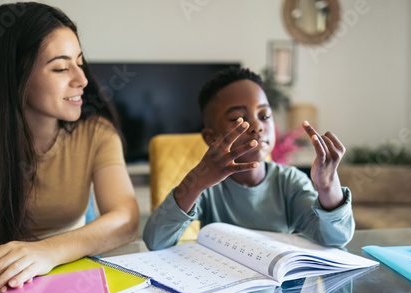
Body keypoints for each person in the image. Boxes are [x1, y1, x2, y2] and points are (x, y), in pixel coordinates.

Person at [0, 2, 140, 293]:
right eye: (60, 67)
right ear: (14, 75)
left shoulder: (96, 133)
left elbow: (126, 218)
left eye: (79, 62)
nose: (82, 80)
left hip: (60, 280)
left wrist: (46, 253)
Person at [143, 67, 354, 250]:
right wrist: (197, 182)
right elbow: (156, 241)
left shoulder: (289, 183)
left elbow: (336, 239)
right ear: (210, 137)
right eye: (238, 119)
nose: (257, 126)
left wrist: (328, 187)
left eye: (264, 116)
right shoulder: (208, 188)